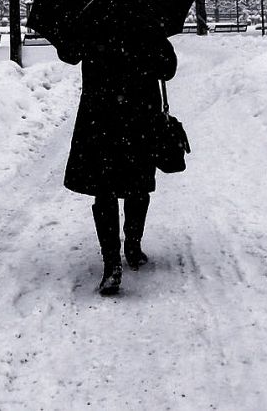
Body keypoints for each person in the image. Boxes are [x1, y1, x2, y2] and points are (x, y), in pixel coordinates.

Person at [55, 32, 178, 296]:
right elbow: (167, 70)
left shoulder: (91, 18)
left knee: (105, 188)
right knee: (137, 184)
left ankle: (111, 262)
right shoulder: (146, 20)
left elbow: (68, 53)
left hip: (100, 115)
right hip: (139, 114)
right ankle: (132, 247)